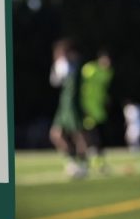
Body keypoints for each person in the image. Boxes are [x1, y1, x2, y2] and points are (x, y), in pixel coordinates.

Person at [48, 38, 87, 178]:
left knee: (78, 134)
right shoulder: (63, 64)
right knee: (56, 135)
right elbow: (55, 82)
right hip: (63, 104)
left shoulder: (74, 64)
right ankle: (71, 162)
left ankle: (83, 165)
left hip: (72, 104)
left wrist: (63, 61)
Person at [80, 50, 114, 174]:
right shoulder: (89, 69)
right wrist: (82, 106)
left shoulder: (108, 73)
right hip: (88, 110)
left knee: (100, 138)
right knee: (91, 138)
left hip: (100, 112)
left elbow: (103, 90)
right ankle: (89, 163)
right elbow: (81, 88)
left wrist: (106, 100)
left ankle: (98, 163)